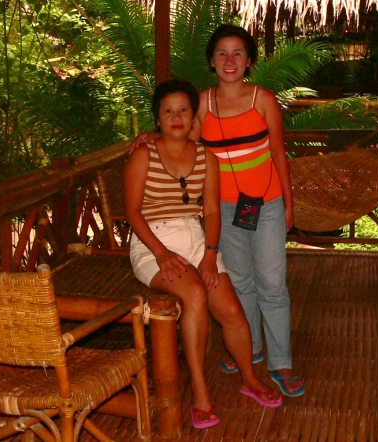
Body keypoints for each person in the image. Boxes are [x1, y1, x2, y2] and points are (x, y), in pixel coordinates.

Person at [131, 25, 305, 397]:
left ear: (249, 62)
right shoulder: (203, 106)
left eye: (238, 53)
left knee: (272, 284)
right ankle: (250, 348)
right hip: (224, 208)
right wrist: (148, 137)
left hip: (268, 204)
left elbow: (278, 152)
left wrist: (289, 202)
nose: (230, 60)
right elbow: (177, 137)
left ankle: (281, 361)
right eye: (222, 53)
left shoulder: (263, 100)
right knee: (239, 280)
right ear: (211, 61)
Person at [124, 79, 282, 430]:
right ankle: (199, 390)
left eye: (183, 109)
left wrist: (210, 255)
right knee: (195, 294)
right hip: (152, 240)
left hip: (197, 238)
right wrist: (162, 254)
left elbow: (211, 211)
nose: (176, 117)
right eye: (168, 111)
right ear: (158, 118)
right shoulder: (143, 154)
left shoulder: (206, 157)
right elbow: (133, 212)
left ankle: (250, 379)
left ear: (194, 116)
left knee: (229, 308)